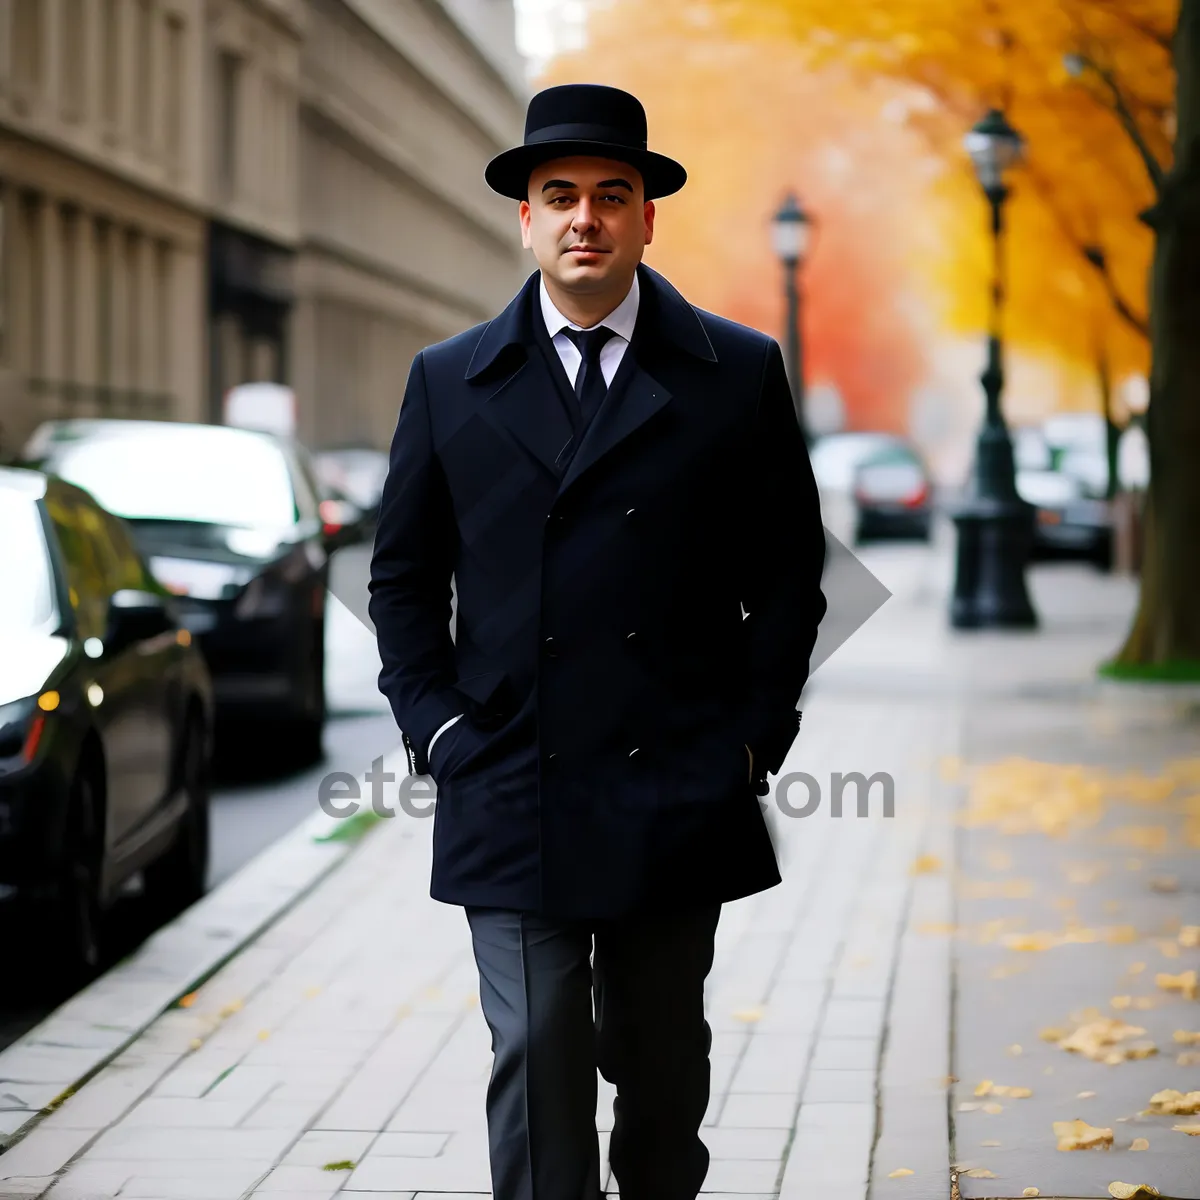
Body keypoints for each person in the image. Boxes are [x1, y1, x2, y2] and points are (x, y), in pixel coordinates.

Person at [368, 82, 827, 1200]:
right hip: (507, 781)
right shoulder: (449, 380)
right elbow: (401, 582)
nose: (585, 218)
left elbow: (788, 577)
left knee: (661, 1062)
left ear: (647, 218)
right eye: (559, 196)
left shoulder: (734, 371)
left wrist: (753, 742)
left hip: (674, 782)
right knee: (540, 1053)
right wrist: (439, 731)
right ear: (525, 219)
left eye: (611, 196)